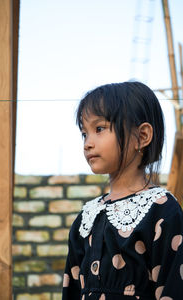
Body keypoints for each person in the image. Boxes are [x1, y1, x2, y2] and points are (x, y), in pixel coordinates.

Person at [62, 81, 183, 300]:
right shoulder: (86, 217)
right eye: (84, 133)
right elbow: (70, 290)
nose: (87, 143)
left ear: (142, 136)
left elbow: (173, 288)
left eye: (99, 129)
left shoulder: (162, 210)